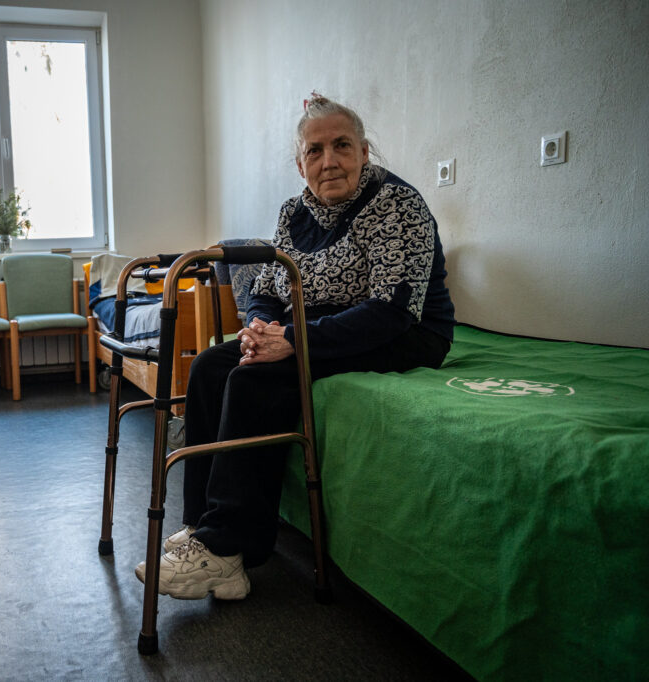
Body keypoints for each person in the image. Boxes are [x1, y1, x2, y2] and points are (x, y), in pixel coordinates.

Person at [136, 94, 456, 600]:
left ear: (365, 151)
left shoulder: (397, 203)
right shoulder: (294, 212)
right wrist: (259, 330)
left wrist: (293, 341)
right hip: (315, 327)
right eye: (315, 150)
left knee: (256, 379)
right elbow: (267, 287)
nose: (329, 160)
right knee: (210, 367)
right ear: (300, 162)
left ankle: (228, 549)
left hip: (405, 332)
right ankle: (203, 530)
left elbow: (394, 309)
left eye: (342, 146)